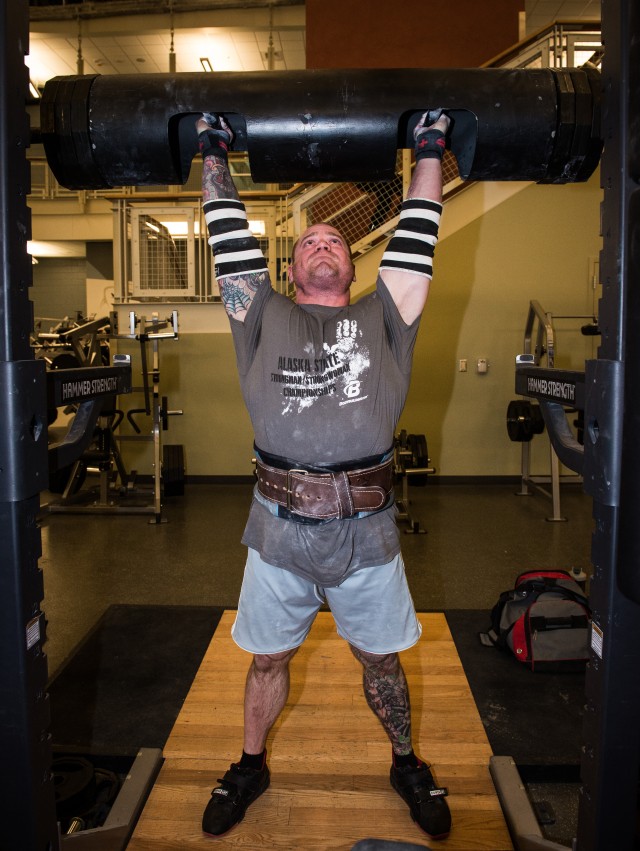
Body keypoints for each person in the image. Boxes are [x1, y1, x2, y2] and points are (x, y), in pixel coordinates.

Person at [196, 107, 452, 841]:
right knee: (268, 655)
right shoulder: (259, 316)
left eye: (334, 238)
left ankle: (404, 761)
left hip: (367, 531)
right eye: (308, 239)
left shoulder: (386, 318)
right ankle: (251, 763)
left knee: (381, 659)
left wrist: (429, 146)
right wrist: (214, 154)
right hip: (276, 530)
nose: (321, 244)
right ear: (288, 268)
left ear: (351, 263)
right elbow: (227, 244)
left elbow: (418, 237)